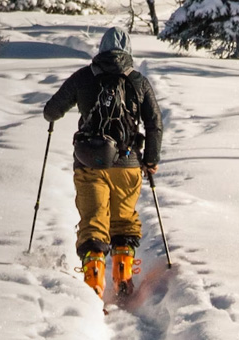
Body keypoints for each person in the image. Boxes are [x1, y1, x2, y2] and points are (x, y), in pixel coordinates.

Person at [43, 27, 162, 299]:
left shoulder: (84, 77)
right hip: (128, 164)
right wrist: (151, 160)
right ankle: (123, 277)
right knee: (124, 222)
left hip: (88, 163)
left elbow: (51, 110)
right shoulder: (138, 81)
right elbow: (155, 122)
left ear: (101, 49)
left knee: (93, 224)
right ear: (128, 51)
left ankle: (94, 287)